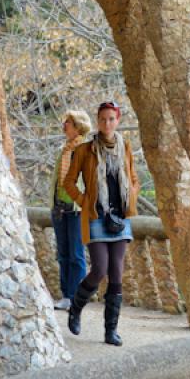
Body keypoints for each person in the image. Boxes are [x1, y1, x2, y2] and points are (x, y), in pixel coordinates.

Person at [63, 100, 139, 346]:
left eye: (111, 119)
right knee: (99, 269)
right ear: (98, 121)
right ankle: (76, 307)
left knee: (116, 272)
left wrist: (131, 197)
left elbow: (133, 179)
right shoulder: (85, 150)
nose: (107, 123)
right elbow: (69, 182)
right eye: (103, 119)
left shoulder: (125, 146)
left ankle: (110, 331)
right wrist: (85, 201)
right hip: (96, 216)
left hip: (120, 217)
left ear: (117, 121)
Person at [50, 109, 91, 310]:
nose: (64, 125)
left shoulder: (86, 150)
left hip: (77, 210)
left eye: (68, 122)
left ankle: (77, 297)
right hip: (59, 208)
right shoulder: (65, 149)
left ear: (77, 127)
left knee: (76, 254)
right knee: (63, 253)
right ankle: (66, 295)